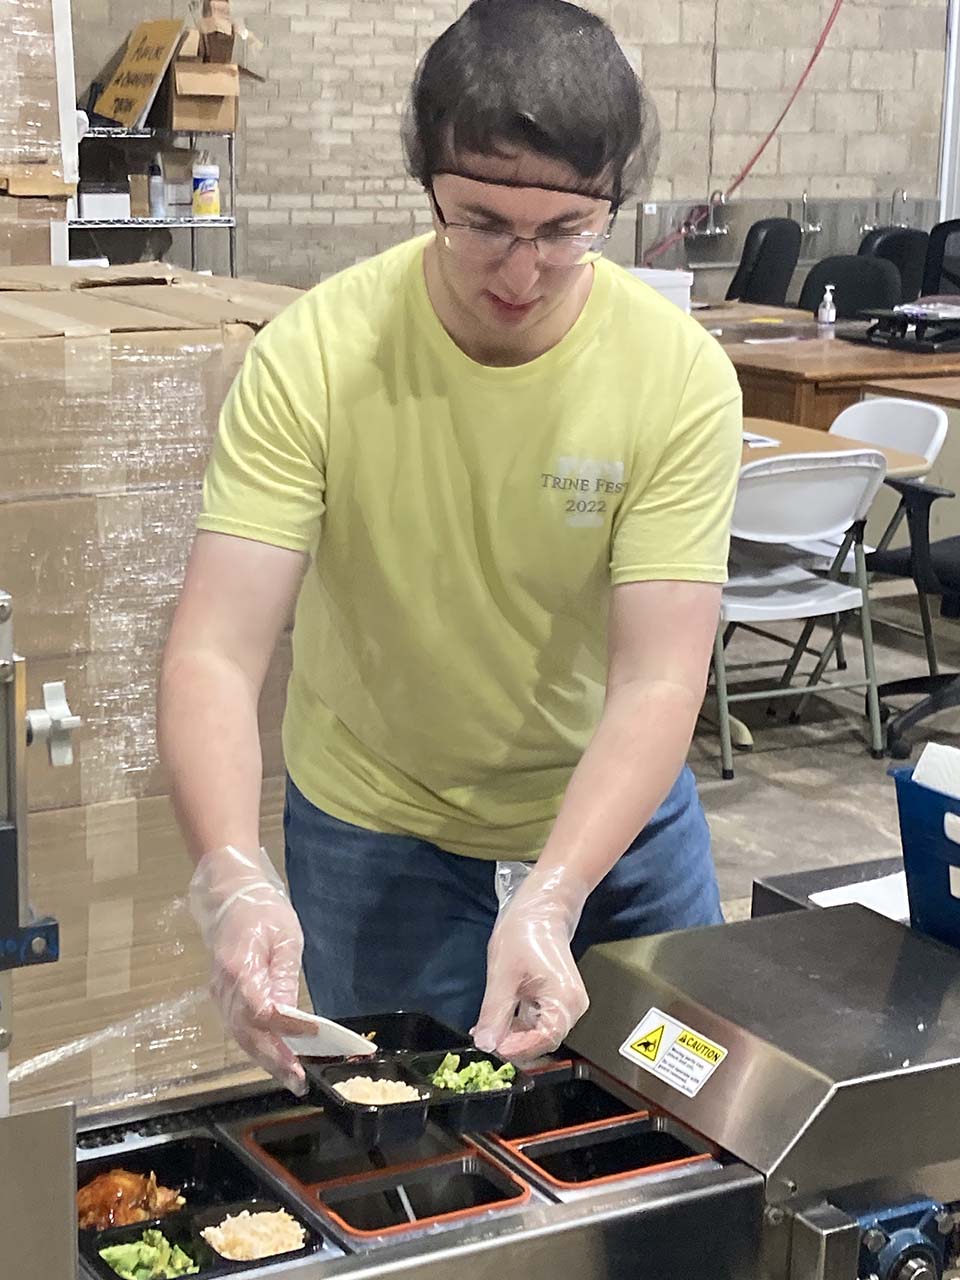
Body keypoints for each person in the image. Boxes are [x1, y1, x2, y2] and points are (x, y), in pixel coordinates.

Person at [158, 0, 742, 1098]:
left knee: (687, 1139)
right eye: (481, 221)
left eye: (566, 229)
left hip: (618, 821)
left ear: (612, 202)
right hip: (383, 827)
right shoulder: (316, 357)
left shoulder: (676, 377)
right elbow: (216, 653)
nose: (521, 270)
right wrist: (233, 874)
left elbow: (659, 674)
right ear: (425, 180)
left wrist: (557, 889)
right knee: (420, 1169)